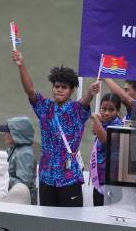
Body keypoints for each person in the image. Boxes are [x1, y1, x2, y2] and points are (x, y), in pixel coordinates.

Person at [11, 49, 99, 207]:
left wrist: (91, 93)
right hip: (46, 177)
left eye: (64, 87)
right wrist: (21, 65)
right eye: (56, 86)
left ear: (72, 90)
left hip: (69, 178)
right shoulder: (45, 107)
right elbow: (29, 90)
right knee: (47, 222)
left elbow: (85, 100)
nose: (59, 89)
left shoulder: (76, 110)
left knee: (71, 221)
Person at [90, 93, 123, 206]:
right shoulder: (103, 123)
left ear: (118, 111)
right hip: (99, 178)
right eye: (103, 109)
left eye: (111, 110)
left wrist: (95, 119)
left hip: (110, 181)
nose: (107, 113)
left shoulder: (118, 126)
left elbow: (105, 139)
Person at [0, 116, 38, 205]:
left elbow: (23, 184)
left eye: (8, 132)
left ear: (17, 134)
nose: (5, 134)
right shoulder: (14, 148)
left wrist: (2, 177)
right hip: (13, 196)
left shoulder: (25, 153)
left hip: (23, 202)